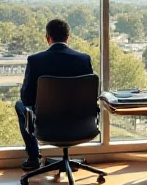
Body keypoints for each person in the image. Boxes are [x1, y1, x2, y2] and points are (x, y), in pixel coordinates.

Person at [16, 18, 93, 171]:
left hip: (47, 126)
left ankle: (33, 158)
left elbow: (26, 98)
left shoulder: (35, 61)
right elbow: (90, 96)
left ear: (47, 38)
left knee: (20, 105)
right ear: (68, 38)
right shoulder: (83, 60)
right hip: (81, 125)